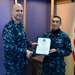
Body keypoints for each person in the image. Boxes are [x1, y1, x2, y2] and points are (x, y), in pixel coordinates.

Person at [2, 3, 36, 75]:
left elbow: (22, 41)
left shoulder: (21, 26)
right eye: (17, 11)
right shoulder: (8, 28)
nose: (20, 13)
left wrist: (30, 44)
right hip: (13, 66)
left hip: (22, 64)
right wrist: (25, 52)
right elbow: (9, 48)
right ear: (12, 12)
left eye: (21, 11)